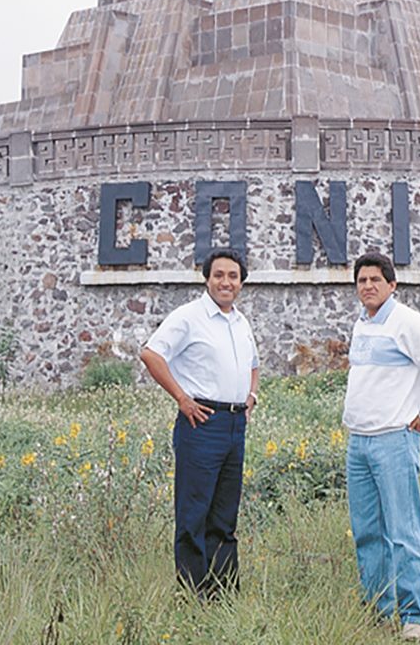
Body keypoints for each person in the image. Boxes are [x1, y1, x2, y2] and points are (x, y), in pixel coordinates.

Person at [343, 251, 420, 641]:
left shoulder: (407, 322)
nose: (368, 286)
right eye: (362, 280)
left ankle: (414, 615)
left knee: (404, 531)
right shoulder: (362, 324)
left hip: (394, 440)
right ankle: (379, 608)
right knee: (367, 533)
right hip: (358, 442)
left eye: (376, 279)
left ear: (392, 285)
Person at [140, 249, 259, 594]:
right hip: (201, 424)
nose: (226, 282)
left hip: (235, 426)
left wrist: (252, 397)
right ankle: (192, 593)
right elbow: (150, 353)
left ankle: (222, 593)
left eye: (233, 276)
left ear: (240, 282)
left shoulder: (240, 321)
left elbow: (253, 363)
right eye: (219, 275)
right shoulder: (189, 317)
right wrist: (181, 398)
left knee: (224, 516)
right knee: (194, 514)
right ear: (207, 279)